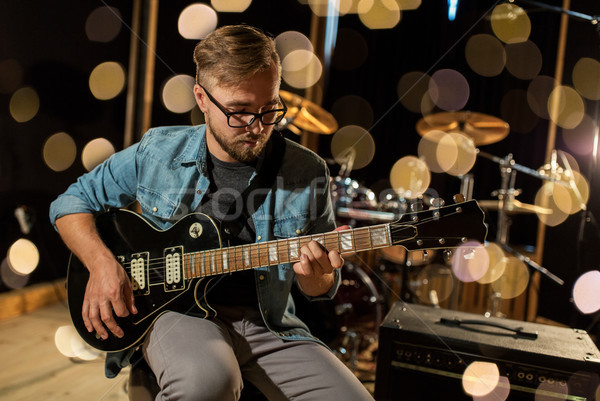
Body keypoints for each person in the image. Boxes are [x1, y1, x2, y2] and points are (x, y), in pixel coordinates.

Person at [50, 25, 375, 401]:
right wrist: (102, 264)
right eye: (239, 112)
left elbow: (319, 287)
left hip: (267, 322)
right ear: (202, 99)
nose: (257, 127)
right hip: (177, 315)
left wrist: (314, 275)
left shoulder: (308, 171)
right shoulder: (158, 151)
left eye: (268, 109)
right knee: (209, 383)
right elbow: (70, 203)